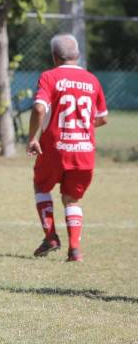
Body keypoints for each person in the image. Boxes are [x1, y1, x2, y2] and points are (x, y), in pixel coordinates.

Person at [26, 34, 108, 262]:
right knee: (72, 199)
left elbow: (39, 108)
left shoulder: (49, 77)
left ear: (54, 57)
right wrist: (80, 126)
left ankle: (51, 237)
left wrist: (32, 138)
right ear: (77, 55)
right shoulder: (92, 80)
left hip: (54, 148)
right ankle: (75, 250)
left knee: (41, 185)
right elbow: (103, 118)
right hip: (84, 150)